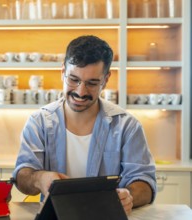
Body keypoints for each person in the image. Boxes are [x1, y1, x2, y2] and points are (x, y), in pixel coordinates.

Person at [13, 35, 156, 215]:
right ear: (62, 71)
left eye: (92, 83)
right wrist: (39, 179)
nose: (81, 92)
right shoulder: (39, 122)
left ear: (106, 79)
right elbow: (22, 175)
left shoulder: (127, 126)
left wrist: (130, 196)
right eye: (73, 79)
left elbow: (145, 182)